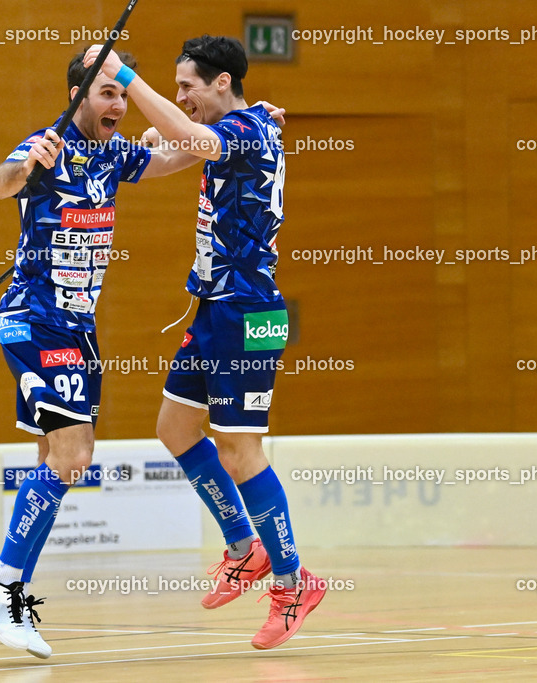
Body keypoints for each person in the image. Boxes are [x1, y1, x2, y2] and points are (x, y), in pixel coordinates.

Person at [84, 36, 325, 651]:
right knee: (174, 428)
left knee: (242, 451)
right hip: (216, 308)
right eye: (176, 85)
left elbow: (198, 141)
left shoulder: (243, 128)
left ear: (222, 83)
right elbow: (185, 143)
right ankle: (245, 549)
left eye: (187, 85)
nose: (181, 96)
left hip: (247, 312)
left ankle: (295, 583)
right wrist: (148, 139)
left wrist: (124, 77)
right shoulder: (241, 125)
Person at [0, 51, 208, 660]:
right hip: (35, 322)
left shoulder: (113, 154)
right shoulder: (46, 145)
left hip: (80, 330)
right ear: (77, 95)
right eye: (106, 94)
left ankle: (4, 578)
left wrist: (241, 125)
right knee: (74, 456)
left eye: (122, 96)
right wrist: (28, 164)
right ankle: (3, 583)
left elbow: (186, 154)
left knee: (56, 454)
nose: (118, 106)